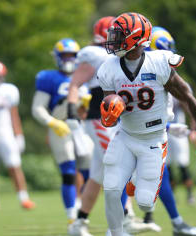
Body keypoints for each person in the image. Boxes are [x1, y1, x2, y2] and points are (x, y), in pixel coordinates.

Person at [98, 12, 196, 236]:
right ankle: (116, 233)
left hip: (154, 139)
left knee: (145, 203)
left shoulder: (159, 62)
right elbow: (109, 108)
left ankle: (136, 179)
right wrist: (109, 113)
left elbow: (187, 97)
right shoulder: (109, 67)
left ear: (135, 38)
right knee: (111, 189)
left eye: (119, 35)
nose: (113, 40)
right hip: (125, 135)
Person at [67, 17, 152, 236]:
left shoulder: (119, 57)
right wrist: (70, 111)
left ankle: (79, 223)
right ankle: (123, 221)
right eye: (115, 33)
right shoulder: (94, 54)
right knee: (119, 165)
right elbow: (75, 83)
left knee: (97, 175)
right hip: (100, 121)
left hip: (112, 121)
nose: (117, 38)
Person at [124, 26, 196, 235]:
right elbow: (138, 112)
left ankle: (174, 221)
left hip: (150, 131)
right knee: (124, 176)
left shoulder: (149, 69)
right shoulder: (146, 71)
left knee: (161, 175)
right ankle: (121, 224)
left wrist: (171, 125)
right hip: (135, 134)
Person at [31, 38, 93, 227]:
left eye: (71, 55)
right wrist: (53, 123)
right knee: (68, 172)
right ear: (57, 57)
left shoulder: (87, 76)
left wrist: (88, 107)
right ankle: (71, 215)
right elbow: (37, 108)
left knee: (90, 172)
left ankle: (81, 208)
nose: (68, 59)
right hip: (62, 128)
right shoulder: (49, 77)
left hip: (82, 128)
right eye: (64, 55)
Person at [0, 60, 35, 212]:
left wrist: (19, 135)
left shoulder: (10, 90)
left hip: (6, 133)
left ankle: (24, 198)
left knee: (14, 165)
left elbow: (14, 114)